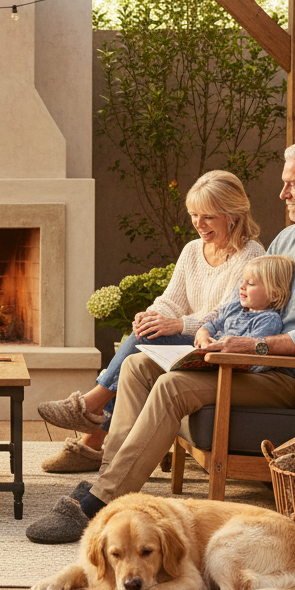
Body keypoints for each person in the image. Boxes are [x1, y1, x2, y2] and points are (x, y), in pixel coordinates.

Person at [27, 138, 295, 544]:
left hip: (285, 376)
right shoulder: (288, 240)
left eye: (293, 184)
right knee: (137, 365)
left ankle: (96, 501)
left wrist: (254, 347)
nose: (282, 193)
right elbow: (239, 302)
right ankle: (114, 485)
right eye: (284, 183)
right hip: (246, 361)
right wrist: (211, 333)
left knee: (172, 385)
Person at [37, 170, 264, 472]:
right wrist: (152, 315)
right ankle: (91, 442)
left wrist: (179, 326)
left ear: (233, 215)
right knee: (145, 335)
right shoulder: (193, 251)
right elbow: (172, 300)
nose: (198, 224)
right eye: (194, 215)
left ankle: (89, 409)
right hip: (190, 338)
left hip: (217, 345)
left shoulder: (251, 255)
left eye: (208, 217)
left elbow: (226, 316)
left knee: (148, 339)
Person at [193, 255, 293, 373]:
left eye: (250, 283)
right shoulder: (235, 307)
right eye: (242, 281)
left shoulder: (268, 320)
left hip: (230, 371)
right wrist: (203, 332)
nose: (241, 287)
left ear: (273, 294)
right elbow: (214, 325)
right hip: (210, 360)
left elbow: (251, 356)